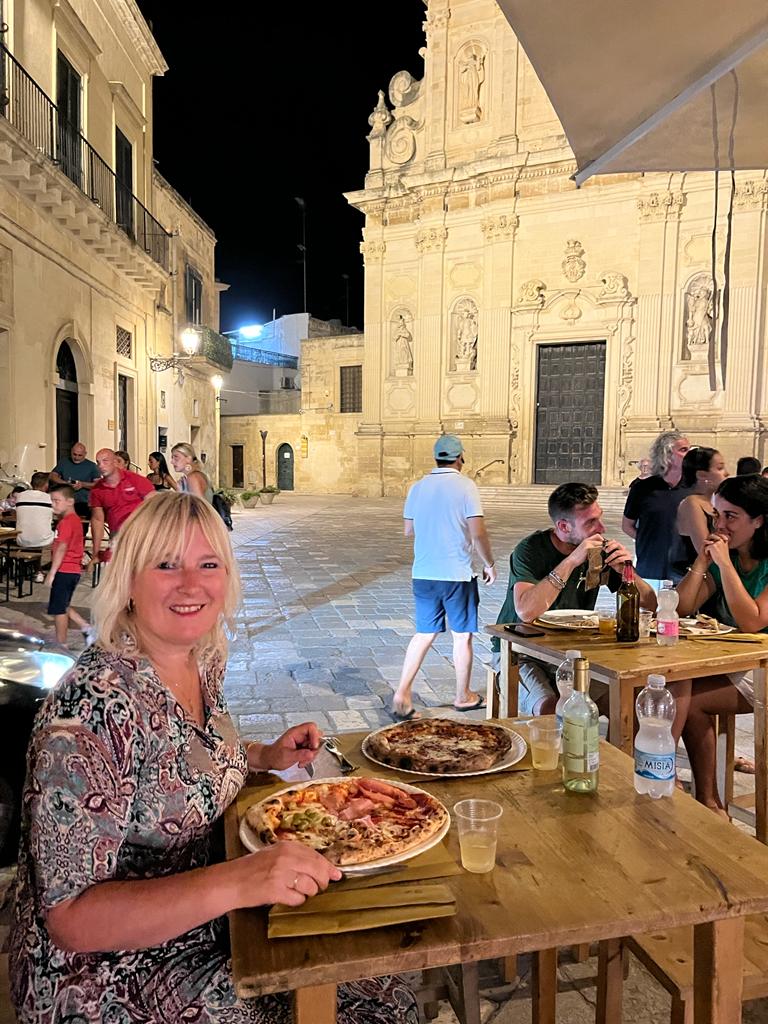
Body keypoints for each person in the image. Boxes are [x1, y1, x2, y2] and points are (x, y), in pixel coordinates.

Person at [9, 492, 417, 1024]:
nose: (191, 585)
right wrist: (240, 881)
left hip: (208, 911)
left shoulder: (200, 658)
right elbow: (70, 918)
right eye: (166, 565)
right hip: (105, 972)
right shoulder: (92, 710)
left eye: (208, 565)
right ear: (128, 579)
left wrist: (260, 755)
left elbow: (185, 761)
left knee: (384, 982)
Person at [493, 482, 656, 714]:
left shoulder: (600, 553)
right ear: (563, 526)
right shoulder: (530, 549)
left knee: (626, 696)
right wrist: (571, 561)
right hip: (519, 650)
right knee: (550, 709)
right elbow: (526, 612)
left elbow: (651, 605)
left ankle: (602, 739)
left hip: (572, 649)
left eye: (600, 518)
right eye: (590, 522)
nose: (601, 528)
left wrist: (626, 570)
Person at [668, 475, 768, 813]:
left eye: (730, 516)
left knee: (689, 702)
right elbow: (682, 607)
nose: (720, 525)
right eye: (716, 515)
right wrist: (702, 561)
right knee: (675, 682)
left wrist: (724, 564)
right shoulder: (731, 557)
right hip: (736, 660)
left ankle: (706, 799)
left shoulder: (744, 563)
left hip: (763, 666)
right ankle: (701, 796)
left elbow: (752, 620)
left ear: (758, 521)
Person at [392, 435, 496, 720]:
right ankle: (463, 696)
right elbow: (478, 532)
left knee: (424, 633)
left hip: (424, 573)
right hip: (457, 574)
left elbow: (408, 530)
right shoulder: (466, 486)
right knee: (462, 636)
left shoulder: (417, 487)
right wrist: (489, 563)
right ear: (460, 457)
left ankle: (402, 693)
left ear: (436, 457)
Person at [622, 430, 691, 589]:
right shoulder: (643, 488)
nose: (690, 454)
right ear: (667, 455)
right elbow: (627, 525)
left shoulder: (693, 488)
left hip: (683, 571)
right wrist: (649, 540)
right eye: (683, 450)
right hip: (650, 568)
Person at [44, 485, 95, 647]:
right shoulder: (75, 520)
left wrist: (52, 572)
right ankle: (86, 627)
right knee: (62, 603)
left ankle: (61, 644)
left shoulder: (66, 522)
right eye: (52, 500)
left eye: (57, 500)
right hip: (72, 570)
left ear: (70, 501)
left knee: (59, 609)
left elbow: (62, 547)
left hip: (64, 569)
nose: (53, 504)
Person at [88, 449, 155, 566]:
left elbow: (155, 505)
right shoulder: (97, 490)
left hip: (140, 532)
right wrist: (95, 552)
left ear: (115, 462)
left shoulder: (135, 480)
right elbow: (97, 520)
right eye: (98, 462)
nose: (101, 466)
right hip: (117, 534)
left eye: (105, 461)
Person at [670, 447, 728, 579]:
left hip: (711, 576)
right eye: (720, 468)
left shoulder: (715, 502)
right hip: (692, 579)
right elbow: (707, 552)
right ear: (702, 475)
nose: (726, 473)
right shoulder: (692, 503)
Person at [49, 442, 100, 521]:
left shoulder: (92, 466)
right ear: (71, 452)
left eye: (80, 455)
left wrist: (82, 484)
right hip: (65, 501)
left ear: (85, 454)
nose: (76, 457)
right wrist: (65, 484)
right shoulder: (63, 462)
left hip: (83, 503)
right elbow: (52, 476)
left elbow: (98, 484)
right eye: (74, 454)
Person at [15, 472, 54, 549]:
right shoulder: (50, 498)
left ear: (31, 483)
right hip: (45, 541)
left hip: (22, 541)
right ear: (46, 485)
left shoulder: (20, 496)